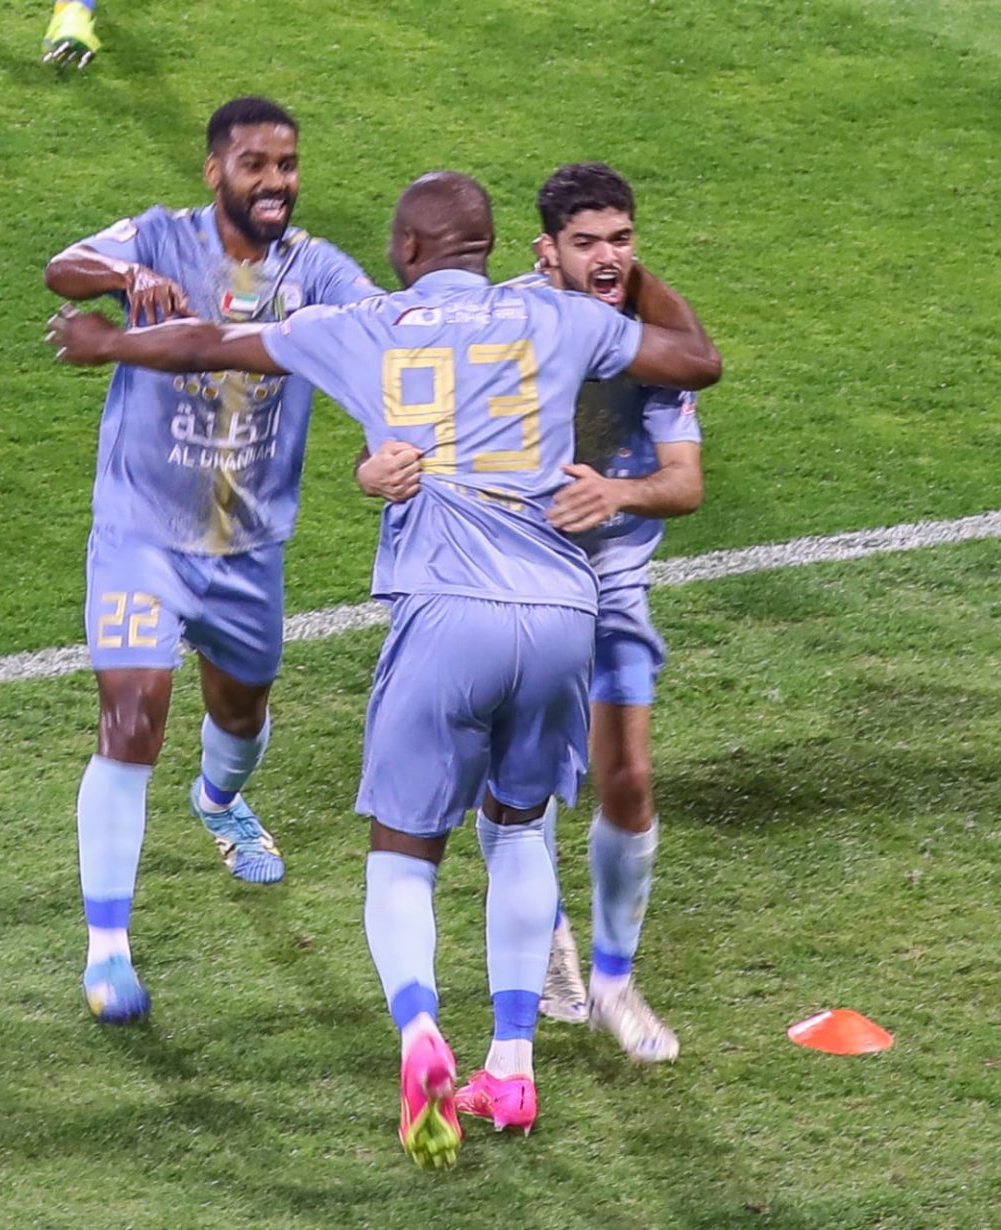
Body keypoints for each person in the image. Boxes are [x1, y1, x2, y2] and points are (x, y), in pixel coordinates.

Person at [46, 169, 721, 1167]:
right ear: (495, 246)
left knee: (404, 853)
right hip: (563, 613)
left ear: (406, 251)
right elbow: (697, 359)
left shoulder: (364, 324)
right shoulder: (559, 317)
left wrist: (106, 343)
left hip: (447, 611)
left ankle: (420, 1032)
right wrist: (630, 267)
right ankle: (513, 1066)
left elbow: (211, 343)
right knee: (519, 830)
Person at [41, 96, 378, 1026]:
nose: (275, 182)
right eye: (255, 164)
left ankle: (219, 799)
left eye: (287, 165)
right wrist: (128, 273)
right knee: (132, 716)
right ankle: (107, 951)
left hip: (247, 549)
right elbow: (62, 268)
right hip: (141, 536)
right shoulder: (161, 235)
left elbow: (384, 330)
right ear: (215, 171)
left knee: (241, 709)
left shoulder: (316, 269)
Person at [362, 162, 704, 1069]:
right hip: (509, 574)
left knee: (627, 776)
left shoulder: (646, 339)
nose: (607, 258)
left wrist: (619, 492)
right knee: (516, 790)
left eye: (622, 240)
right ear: (545, 250)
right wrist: (376, 471)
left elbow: (686, 481)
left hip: (610, 585)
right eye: (586, 243)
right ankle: (545, 936)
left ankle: (615, 983)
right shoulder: (500, 318)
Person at [42, 0, 99, 69]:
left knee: (62, 19)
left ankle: (62, 49)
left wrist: (48, 42)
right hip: (86, 6)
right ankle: (80, 51)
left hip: (65, 5)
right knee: (81, 18)